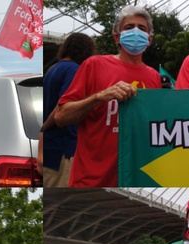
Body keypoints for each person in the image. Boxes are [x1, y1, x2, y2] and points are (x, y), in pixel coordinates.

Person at [52, 4, 161, 187]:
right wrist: (98, 97)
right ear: (117, 37)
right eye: (129, 27)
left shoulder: (154, 77)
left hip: (133, 179)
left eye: (142, 29)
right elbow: (61, 117)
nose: (136, 32)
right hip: (89, 180)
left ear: (149, 39)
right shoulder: (94, 65)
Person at [41, 32, 96, 188]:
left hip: (48, 147)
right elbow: (63, 105)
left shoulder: (53, 68)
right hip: (62, 148)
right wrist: (44, 127)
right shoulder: (75, 70)